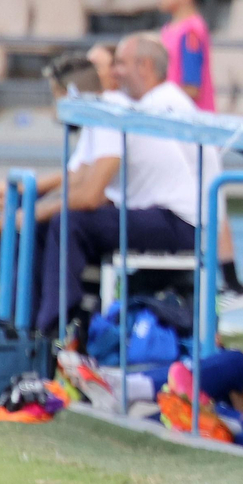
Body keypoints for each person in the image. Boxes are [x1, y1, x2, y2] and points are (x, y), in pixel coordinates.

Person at [34, 33, 201, 336]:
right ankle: (19, 314)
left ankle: (52, 327)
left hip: (178, 220)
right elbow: (81, 180)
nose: (113, 72)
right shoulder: (109, 110)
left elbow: (89, 196)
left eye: (117, 64)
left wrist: (36, 211)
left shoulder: (110, 108)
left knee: (69, 222)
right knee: (51, 221)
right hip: (159, 213)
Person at [0, 43, 120, 309]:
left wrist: (32, 210)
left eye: (96, 67)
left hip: (119, 208)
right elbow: (78, 174)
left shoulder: (112, 115)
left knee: (40, 219)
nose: (90, 75)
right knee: (26, 208)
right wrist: (24, 194)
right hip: (107, 203)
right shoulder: (101, 117)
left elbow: (89, 189)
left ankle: (29, 315)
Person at [157, 0, 243, 310]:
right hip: (177, 129)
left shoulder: (190, 32)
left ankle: (232, 280)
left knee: (212, 203)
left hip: (195, 130)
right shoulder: (170, 31)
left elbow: (191, 86)